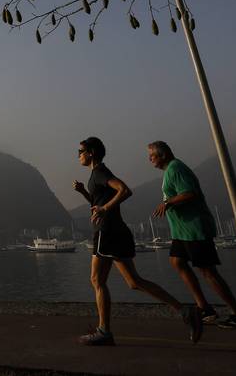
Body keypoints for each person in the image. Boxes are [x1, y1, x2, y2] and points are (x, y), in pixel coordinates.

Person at [72, 137, 202, 346]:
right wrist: (85, 194)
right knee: (134, 282)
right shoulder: (97, 175)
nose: (77, 155)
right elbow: (100, 203)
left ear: (91, 153)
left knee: (97, 280)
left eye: (80, 151)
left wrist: (105, 209)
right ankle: (186, 311)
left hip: (107, 233)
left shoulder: (100, 173)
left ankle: (104, 331)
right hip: (116, 231)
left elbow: (124, 190)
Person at [149, 140, 236, 329]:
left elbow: (190, 193)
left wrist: (168, 203)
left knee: (207, 271)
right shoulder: (169, 171)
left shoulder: (176, 168)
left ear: (163, 155)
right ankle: (204, 308)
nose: (149, 160)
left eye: (152, 156)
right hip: (181, 231)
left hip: (194, 228)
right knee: (177, 262)